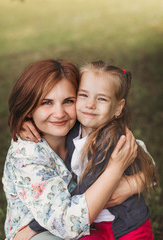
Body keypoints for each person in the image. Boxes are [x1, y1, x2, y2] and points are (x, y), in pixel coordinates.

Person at [16, 61, 157, 240]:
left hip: (127, 224)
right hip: (94, 224)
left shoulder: (110, 140)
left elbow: (83, 189)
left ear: (118, 107)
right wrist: (26, 121)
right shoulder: (74, 128)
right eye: (83, 95)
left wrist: (33, 227)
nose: (90, 104)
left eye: (102, 99)